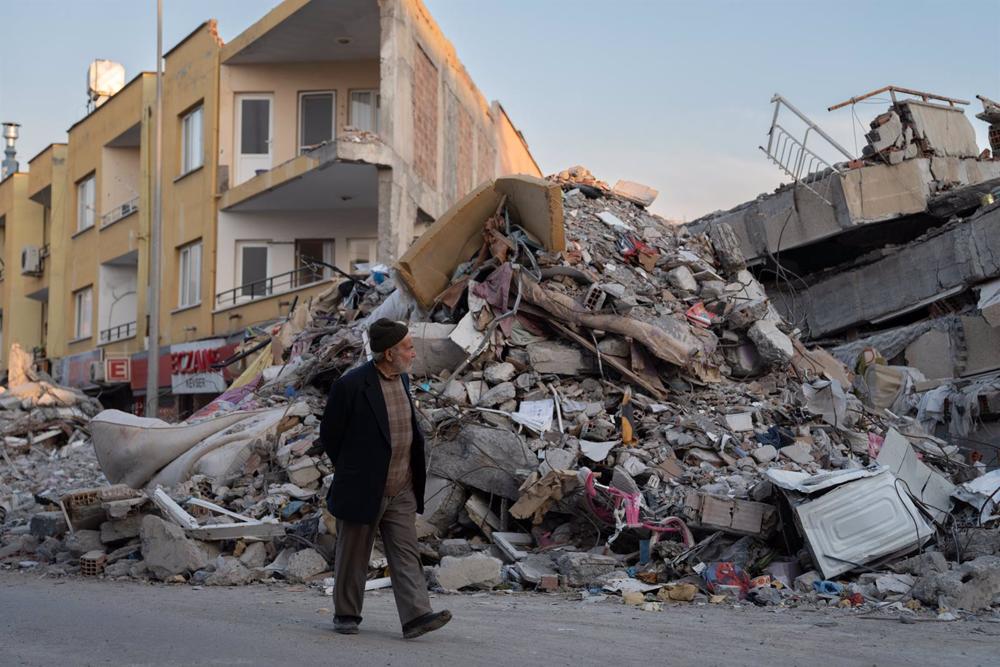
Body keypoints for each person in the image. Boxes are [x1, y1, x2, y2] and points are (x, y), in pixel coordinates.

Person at [320, 318, 451, 639]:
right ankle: (346, 614)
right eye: (408, 348)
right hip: (364, 486)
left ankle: (416, 616)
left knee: (406, 552)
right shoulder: (351, 386)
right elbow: (330, 436)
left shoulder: (403, 380)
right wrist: (354, 471)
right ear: (389, 353)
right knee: (353, 555)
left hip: (402, 485)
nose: (413, 354)